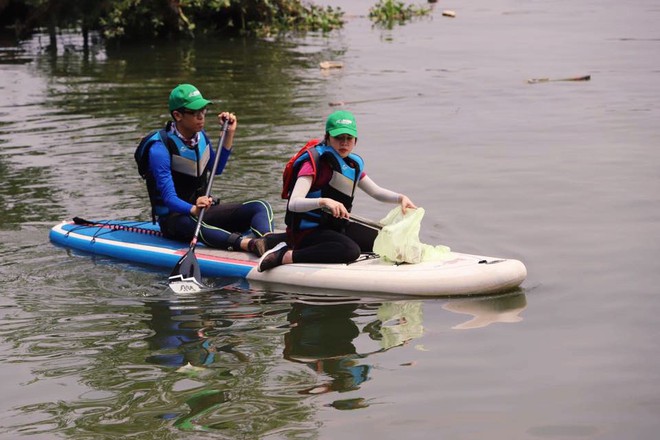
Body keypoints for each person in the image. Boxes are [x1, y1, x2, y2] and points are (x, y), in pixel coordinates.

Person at [258, 110, 416, 271]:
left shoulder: (351, 165)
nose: (344, 143)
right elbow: (294, 203)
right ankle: (285, 256)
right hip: (308, 231)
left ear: (356, 141)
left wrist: (400, 198)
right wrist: (324, 201)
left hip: (336, 228)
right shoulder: (314, 164)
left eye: (349, 138)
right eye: (339, 138)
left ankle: (274, 241)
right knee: (350, 251)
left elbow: (376, 192)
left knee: (382, 241)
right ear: (327, 138)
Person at [145, 83, 283, 255]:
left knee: (259, 206)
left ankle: (268, 240)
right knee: (192, 224)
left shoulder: (200, 137)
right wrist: (192, 209)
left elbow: (216, 169)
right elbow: (168, 198)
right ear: (177, 115)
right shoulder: (159, 149)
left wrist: (228, 135)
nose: (201, 117)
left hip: (203, 211)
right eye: (195, 113)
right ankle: (250, 245)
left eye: (203, 111)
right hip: (176, 219)